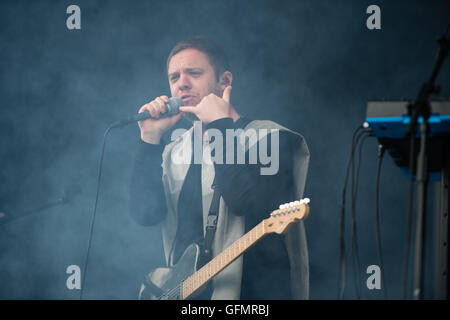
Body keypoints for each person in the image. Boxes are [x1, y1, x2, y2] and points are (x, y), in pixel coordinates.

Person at [129, 36, 310, 300]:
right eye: (174, 77)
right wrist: (149, 140)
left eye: (194, 73)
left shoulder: (270, 138)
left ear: (224, 81)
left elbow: (245, 202)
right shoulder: (174, 151)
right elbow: (145, 214)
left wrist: (219, 125)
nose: (181, 84)